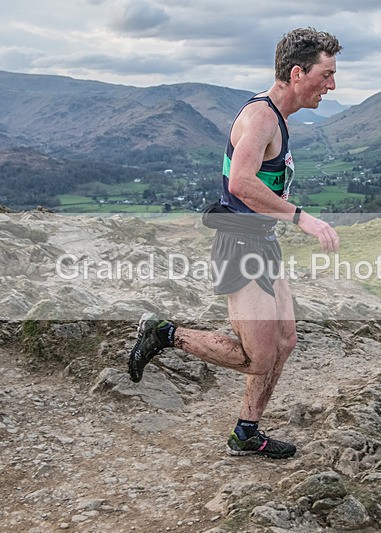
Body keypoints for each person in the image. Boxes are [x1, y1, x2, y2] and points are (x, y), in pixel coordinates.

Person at [127, 27, 341, 459]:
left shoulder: (277, 117)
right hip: (239, 244)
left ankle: (246, 431)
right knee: (257, 357)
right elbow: (241, 183)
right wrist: (301, 217)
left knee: (284, 342)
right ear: (298, 73)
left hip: (261, 240)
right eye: (327, 74)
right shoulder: (262, 118)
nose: (332, 85)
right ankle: (163, 333)